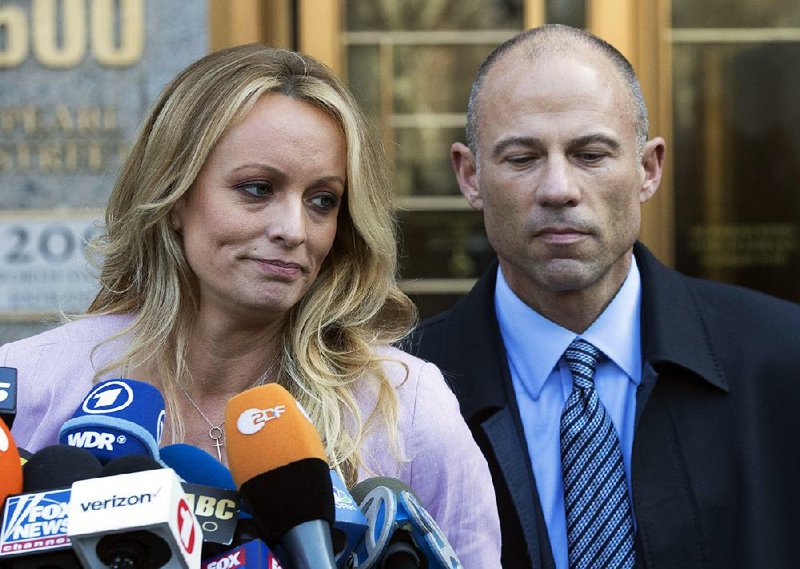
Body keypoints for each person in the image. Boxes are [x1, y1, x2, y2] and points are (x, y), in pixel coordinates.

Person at [1, 44, 501, 565]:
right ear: (175, 198)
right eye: (257, 189)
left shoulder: (403, 405)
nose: (293, 230)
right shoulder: (30, 383)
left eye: (322, 200)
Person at [411, 24, 800, 569]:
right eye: (522, 158)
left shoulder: (782, 362)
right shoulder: (400, 394)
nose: (559, 189)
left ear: (649, 168)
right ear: (470, 175)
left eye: (590, 154)